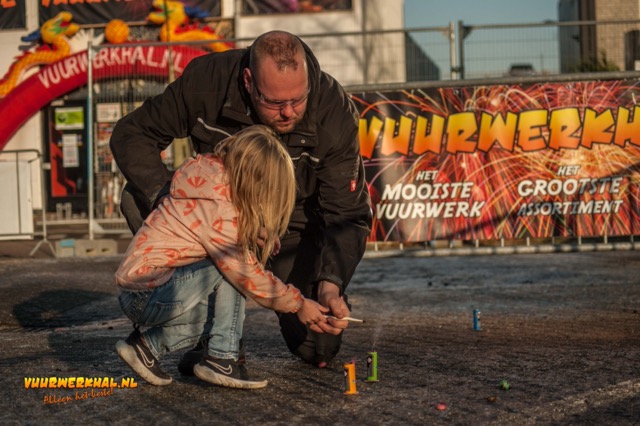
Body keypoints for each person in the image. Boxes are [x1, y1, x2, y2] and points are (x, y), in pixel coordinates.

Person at [110, 30, 372, 369]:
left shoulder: (334, 111)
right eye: (275, 103)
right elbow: (132, 134)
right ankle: (214, 336)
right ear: (249, 81)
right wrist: (173, 201)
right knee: (136, 198)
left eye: (298, 99)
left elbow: (347, 212)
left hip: (289, 226)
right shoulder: (207, 81)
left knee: (317, 346)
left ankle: (215, 326)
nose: (288, 113)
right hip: (217, 215)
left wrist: (330, 284)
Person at [114, 125, 331, 388]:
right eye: (265, 191)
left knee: (215, 313)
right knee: (233, 270)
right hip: (147, 293)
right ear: (253, 180)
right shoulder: (218, 207)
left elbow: (223, 224)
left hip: (150, 290)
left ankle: (145, 349)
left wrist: (255, 232)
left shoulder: (212, 184)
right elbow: (246, 272)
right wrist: (297, 304)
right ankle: (221, 357)